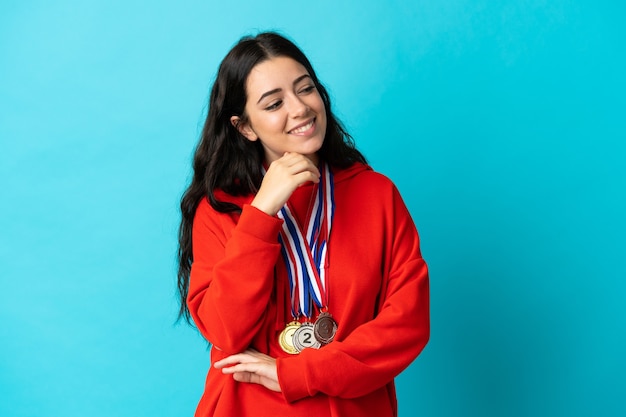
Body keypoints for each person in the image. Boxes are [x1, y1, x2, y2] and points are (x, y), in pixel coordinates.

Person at [177, 32, 430, 417]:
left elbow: (407, 324)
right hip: (246, 407)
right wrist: (262, 213)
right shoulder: (220, 209)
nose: (300, 109)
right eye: (275, 103)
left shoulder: (377, 194)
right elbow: (226, 331)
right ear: (244, 126)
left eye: (305, 89)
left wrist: (299, 372)